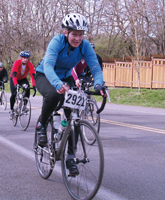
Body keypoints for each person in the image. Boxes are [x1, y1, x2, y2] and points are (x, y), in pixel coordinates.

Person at [35, 13, 107, 175]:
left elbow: (95, 67)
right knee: (53, 96)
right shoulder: (56, 42)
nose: (77, 38)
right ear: (66, 32)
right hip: (45, 74)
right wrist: (57, 84)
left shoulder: (85, 46)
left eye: (81, 34)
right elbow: (48, 66)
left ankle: (70, 156)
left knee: (73, 117)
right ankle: (42, 125)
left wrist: (98, 84)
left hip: (65, 76)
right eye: (74, 34)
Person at [9, 50, 36, 119]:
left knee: (27, 89)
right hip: (14, 78)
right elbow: (14, 74)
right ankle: (11, 110)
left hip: (23, 79)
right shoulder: (17, 63)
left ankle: (24, 106)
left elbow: (33, 75)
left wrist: (34, 85)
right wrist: (15, 84)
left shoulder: (29, 64)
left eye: (27, 58)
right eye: (24, 58)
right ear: (21, 58)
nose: (25, 59)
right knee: (13, 94)